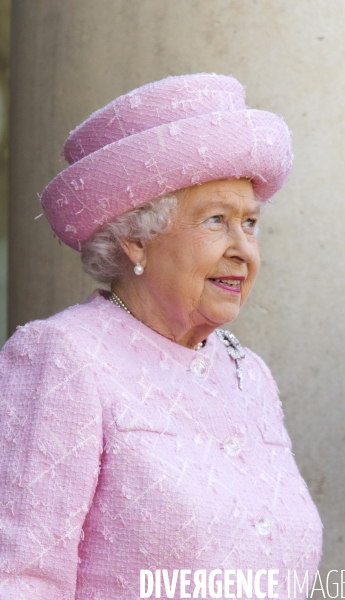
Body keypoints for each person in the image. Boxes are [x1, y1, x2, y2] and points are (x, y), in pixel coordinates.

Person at [0, 73, 322, 600]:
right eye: (216, 220)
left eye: (251, 223)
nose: (243, 248)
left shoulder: (250, 374)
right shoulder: (64, 357)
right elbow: (20, 579)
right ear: (135, 238)